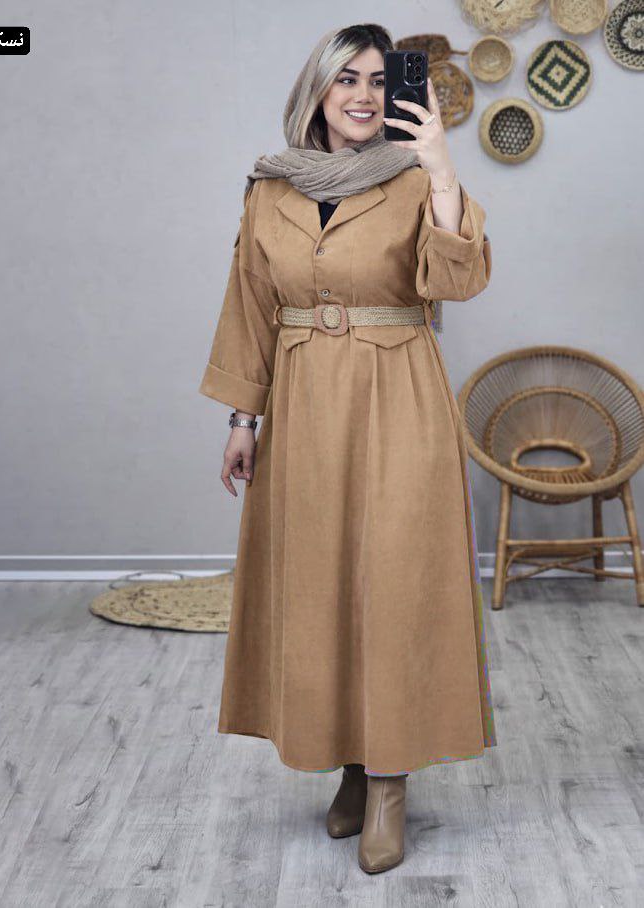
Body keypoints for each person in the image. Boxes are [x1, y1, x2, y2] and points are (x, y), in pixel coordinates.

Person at [198, 23, 497, 874]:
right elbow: (249, 302)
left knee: (393, 587)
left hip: (397, 398)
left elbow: (457, 281)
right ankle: (352, 769)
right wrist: (242, 419)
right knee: (321, 586)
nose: (363, 95)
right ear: (318, 90)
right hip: (302, 408)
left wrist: (441, 170)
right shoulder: (271, 187)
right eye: (346, 79)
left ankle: (391, 782)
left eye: (376, 80)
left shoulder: (414, 178)